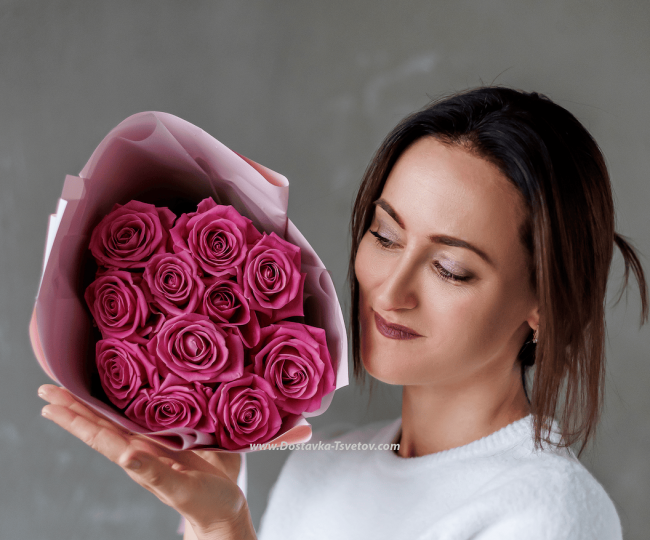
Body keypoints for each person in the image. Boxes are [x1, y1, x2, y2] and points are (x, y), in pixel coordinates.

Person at [38, 86, 648, 540]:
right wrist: (211, 519)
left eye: (451, 269)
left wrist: (229, 530)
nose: (391, 290)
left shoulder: (550, 513)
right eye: (384, 236)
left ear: (545, 303)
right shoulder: (324, 463)